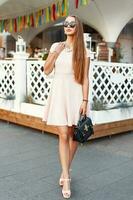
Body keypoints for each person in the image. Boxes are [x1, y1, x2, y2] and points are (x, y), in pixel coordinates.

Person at [43, 15, 90, 199]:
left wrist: (85, 101)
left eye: (72, 24)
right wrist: (56, 53)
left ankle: (64, 171)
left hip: (76, 96)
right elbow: (46, 70)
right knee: (63, 134)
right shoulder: (56, 47)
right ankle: (67, 177)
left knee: (73, 136)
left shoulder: (83, 52)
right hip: (59, 95)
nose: (68, 26)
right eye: (66, 24)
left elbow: (85, 79)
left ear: (77, 27)